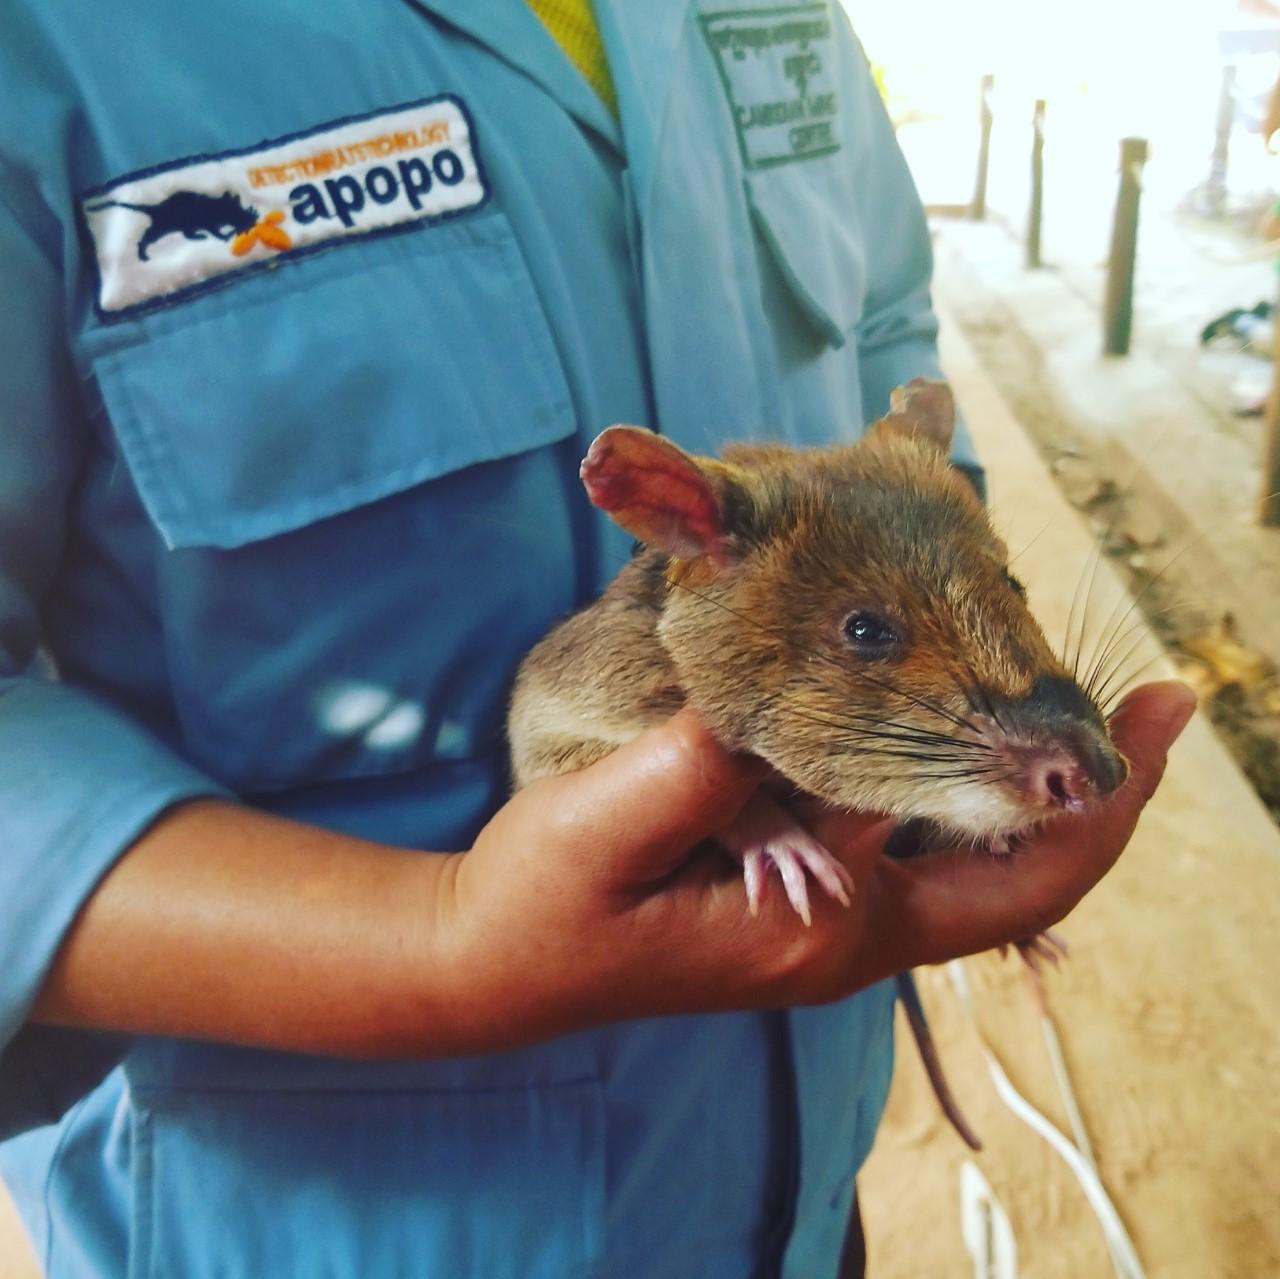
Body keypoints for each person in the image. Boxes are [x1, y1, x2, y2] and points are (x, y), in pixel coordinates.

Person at [0, 2, 1194, 1276]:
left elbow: (887, 344)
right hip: (348, 1223)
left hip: (793, 1182)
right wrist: (441, 944)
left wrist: (933, 795)